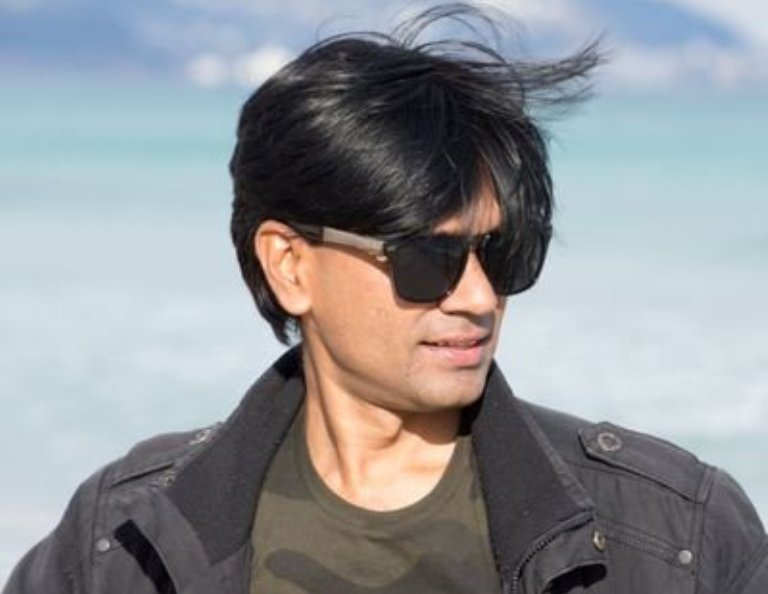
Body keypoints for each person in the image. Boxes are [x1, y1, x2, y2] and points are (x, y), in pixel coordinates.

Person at [4, 4, 767, 594]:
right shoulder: (120, 540)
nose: (478, 297)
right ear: (289, 265)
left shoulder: (677, 535)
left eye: (503, 253)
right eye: (427, 259)